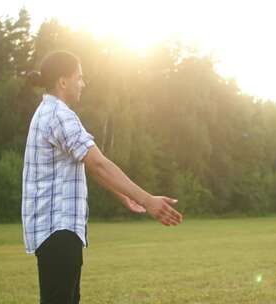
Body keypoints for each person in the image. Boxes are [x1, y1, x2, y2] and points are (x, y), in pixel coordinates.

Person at [22, 51, 183, 304]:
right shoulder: (59, 115)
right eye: (80, 77)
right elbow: (98, 163)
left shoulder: (48, 112)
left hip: (56, 231)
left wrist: (124, 196)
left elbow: (89, 164)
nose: (83, 84)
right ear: (63, 81)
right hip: (59, 231)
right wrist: (148, 199)